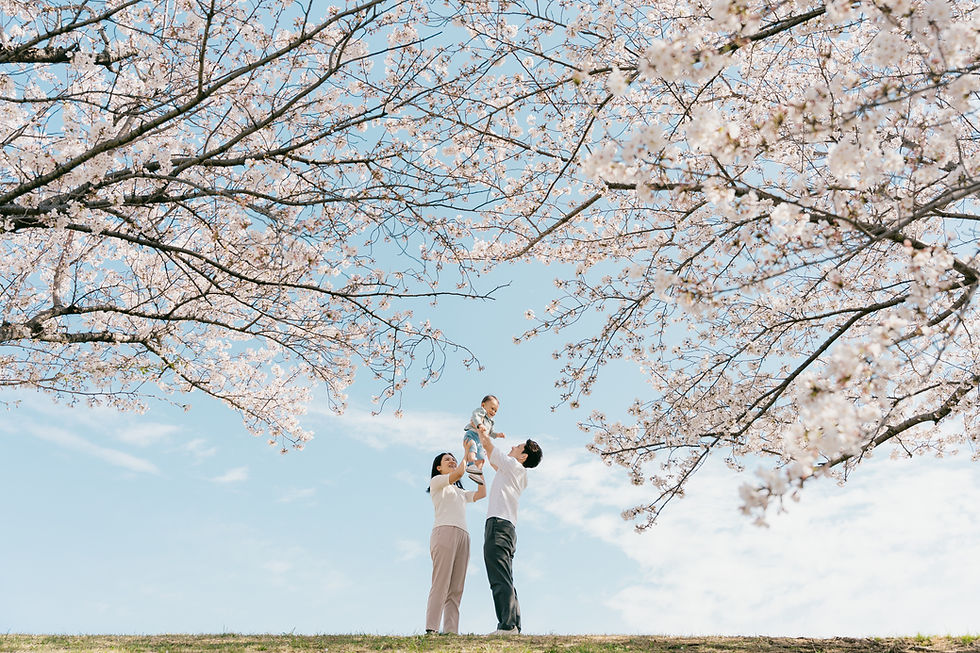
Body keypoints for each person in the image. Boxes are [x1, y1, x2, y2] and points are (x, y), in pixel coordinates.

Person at [478, 426, 542, 635]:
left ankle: (506, 626)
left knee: (499, 577)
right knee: (505, 576)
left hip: (498, 525)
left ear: (523, 456)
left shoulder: (514, 466)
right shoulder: (515, 470)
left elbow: (489, 447)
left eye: (518, 446)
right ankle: (513, 625)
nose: (513, 446)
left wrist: (481, 427)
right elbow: (493, 459)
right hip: (506, 527)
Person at [425, 451, 486, 635]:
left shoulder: (460, 491)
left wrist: (478, 471)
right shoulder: (437, 482)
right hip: (444, 532)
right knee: (441, 583)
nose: (452, 460)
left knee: (456, 588)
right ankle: (432, 629)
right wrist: (467, 452)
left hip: (463, 535)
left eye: (453, 458)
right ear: (439, 467)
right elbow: (458, 474)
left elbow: (482, 493)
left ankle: (451, 632)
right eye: (447, 459)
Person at [462, 394, 506, 485]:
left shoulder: (491, 422)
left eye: (495, 411)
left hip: (481, 442)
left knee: (481, 458)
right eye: (492, 408)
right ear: (483, 405)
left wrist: (497, 435)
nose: (493, 412)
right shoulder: (481, 411)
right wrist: (479, 425)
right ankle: (470, 465)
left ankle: (476, 473)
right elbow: (475, 417)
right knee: (472, 448)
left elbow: (490, 432)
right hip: (472, 435)